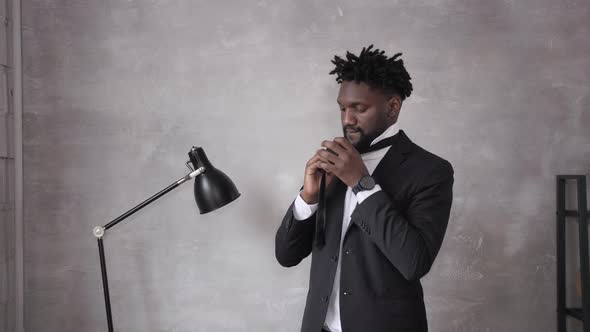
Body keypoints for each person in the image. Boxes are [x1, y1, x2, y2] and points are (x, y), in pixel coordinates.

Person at [274, 45, 454, 332]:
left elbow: (414, 262)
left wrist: (362, 183)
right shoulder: (334, 161)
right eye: (343, 108)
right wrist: (308, 197)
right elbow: (286, 256)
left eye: (359, 108)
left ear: (392, 107)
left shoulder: (431, 171)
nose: (347, 120)